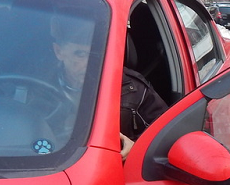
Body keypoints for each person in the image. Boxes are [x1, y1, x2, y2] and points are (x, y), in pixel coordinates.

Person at [51, 14, 166, 159]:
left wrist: (135, 148)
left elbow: (166, 137)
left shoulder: (131, 88)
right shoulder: (31, 90)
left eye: (94, 54)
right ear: (59, 52)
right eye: (80, 54)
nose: (89, 63)